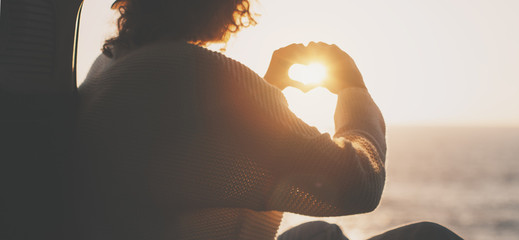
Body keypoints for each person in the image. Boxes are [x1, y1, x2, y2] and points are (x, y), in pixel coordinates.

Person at [73, 0, 463, 239]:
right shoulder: (194, 72)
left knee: (323, 234)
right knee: (429, 237)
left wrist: (268, 89)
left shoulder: (109, 66)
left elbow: (211, 152)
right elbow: (359, 183)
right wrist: (354, 90)